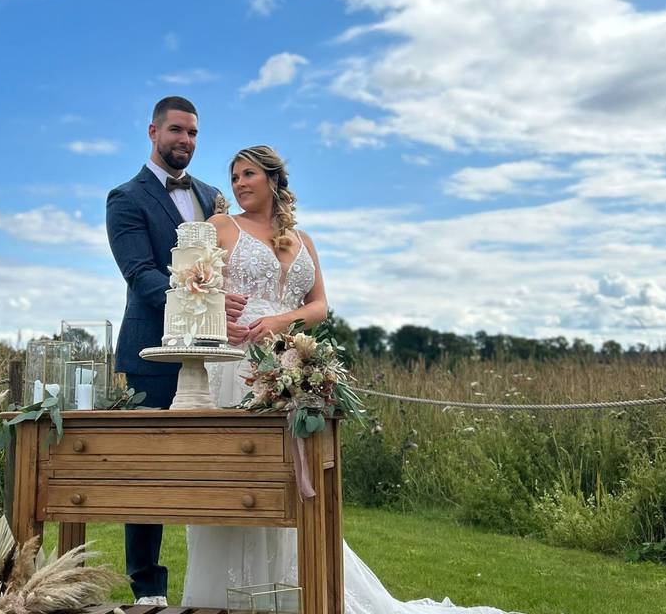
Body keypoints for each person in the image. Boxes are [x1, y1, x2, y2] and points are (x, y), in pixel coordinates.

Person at [181, 145, 518, 614]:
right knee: (242, 480)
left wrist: (285, 321)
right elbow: (189, 289)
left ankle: (300, 590)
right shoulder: (221, 228)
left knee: (293, 479)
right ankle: (228, 597)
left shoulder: (302, 239)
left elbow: (320, 305)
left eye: (249, 174)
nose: (238, 183)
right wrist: (221, 313)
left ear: (274, 180)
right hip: (235, 366)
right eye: (234, 176)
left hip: (288, 366)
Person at [105, 96, 246, 606]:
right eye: (176, 131)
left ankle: (232, 576)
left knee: (220, 463)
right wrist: (204, 297)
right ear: (152, 132)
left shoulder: (213, 196)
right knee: (149, 469)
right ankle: (147, 588)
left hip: (216, 353)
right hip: (150, 351)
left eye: (192, 133)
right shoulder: (125, 197)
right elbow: (140, 275)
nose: (185, 141)